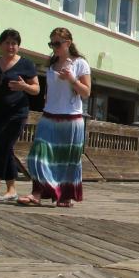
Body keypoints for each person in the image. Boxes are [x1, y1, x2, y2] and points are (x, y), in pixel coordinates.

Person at [18, 27, 91, 207]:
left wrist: (72, 79)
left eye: (57, 43)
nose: (54, 47)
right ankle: (37, 193)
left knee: (66, 159)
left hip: (71, 117)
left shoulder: (80, 63)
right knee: (38, 155)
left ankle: (64, 197)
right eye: (52, 43)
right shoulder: (51, 64)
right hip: (49, 115)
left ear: (68, 43)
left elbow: (86, 92)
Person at [0, 29, 39, 203]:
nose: (11, 46)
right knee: (5, 149)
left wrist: (24, 86)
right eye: (7, 43)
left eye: (14, 43)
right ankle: (12, 190)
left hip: (17, 113)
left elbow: (36, 89)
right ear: (1, 44)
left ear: (18, 46)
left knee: (1, 146)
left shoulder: (27, 64)